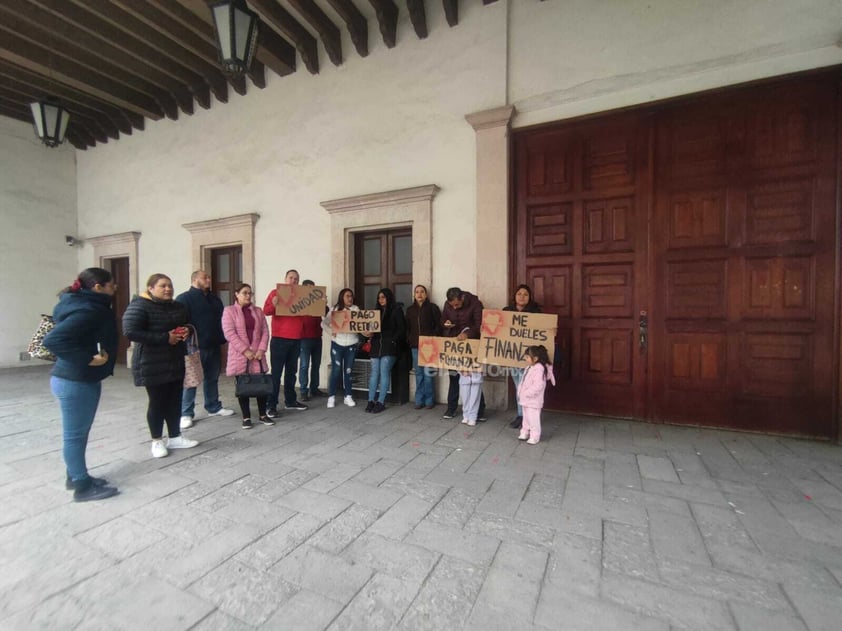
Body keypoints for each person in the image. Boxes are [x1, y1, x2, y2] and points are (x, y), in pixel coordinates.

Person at [43, 268, 120, 502]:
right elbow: (53, 340)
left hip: (76, 378)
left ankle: (76, 475)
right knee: (75, 435)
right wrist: (88, 358)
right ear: (98, 287)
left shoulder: (83, 304)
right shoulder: (88, 309)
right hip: (75, 380)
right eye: (111, 284)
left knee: (79, 433)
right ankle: (81, 487)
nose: (114, 288)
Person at [123, 273, 199, 458]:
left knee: (174, 400)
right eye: (162, 286)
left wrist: (187, 330)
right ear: (150, 288)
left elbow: (187, 323)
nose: (168, 289)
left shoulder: (177, 306)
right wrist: (166, 338)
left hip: (175, 359)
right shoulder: (139, 305)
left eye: (170, 285)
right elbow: (131, 331)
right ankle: (156, 440)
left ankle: (175, 436)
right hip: (151, 362)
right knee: (157, 403)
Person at [176, 270, 233, 428]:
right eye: (205, 277)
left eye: (209, 276)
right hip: (194, 346)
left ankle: (213, 406)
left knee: (212, 378)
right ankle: (186, 413)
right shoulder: (184, 299)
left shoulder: (215, 300)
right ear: (194, 279)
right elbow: (179, 322)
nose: (209, 279)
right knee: (191, 381)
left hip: (214, 344)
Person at [222, 284, 273, 429]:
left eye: (250, 293)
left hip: (257, 354)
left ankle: (263, 415)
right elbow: (229, 333)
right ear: (236, 294)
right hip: (240, 355)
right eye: (244, 293)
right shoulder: (229, 311)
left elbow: (265, 331)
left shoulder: (258, 311)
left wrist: (261, 349)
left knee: (261, 384)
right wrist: (245, 350)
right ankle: (246, 417)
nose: (248, 296)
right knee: (243, 385)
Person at [262, 269, 309, 417]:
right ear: (285, 279)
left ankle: (290, 401)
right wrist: (274, 304)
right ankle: (271, 405)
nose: (293, 281)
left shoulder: (303, 296)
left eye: (296, 279)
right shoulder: (275, 293)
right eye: (291, 278)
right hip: (279, 339)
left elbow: (311, 313)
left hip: (296, 339)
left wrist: (320, 304)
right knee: (276, 374)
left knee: (291, 372)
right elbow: (266, 311)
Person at [440, 287, 486, 421]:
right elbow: (442, 319)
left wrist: (467, 334)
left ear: (463, 298)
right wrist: (445, 323)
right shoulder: (447, 304)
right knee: (453, 376)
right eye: (451, 305)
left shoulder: (476, 304)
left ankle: (480, 410)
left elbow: (480, 325)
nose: (454, 308)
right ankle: (451, 408)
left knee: (474, 379)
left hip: (471, 345)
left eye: (457, 304)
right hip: (454, 345)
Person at [504, 284, 542, 429]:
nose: (522, 296)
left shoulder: (536, 312)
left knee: (529, 386)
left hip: (529, 358)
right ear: (514, 296)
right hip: (513, 357)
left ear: (530, 297)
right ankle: (521, 415)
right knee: (519, 386)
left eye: (525, 294)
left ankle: (529, 416)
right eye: (519, 293)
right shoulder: (507, 311)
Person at [366, 288, 406, 413]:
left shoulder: (396, 310)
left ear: (388, 297)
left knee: (384, 373)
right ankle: (371, 400)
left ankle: (381, 402)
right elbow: (369, 329)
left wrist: (393, 341)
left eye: (383, 297)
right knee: (374, 374)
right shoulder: (375, 312)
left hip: (389, 347)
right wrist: (367, 334)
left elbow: (402, 329)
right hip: (376, 345)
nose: (381, 300)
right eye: (379, 297)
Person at [323, 288, 361, 408]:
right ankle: (331, 396)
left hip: (351, 344)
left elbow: (361, 324)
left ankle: (348, 395)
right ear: (342, 297)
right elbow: (324, 323)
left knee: (348, 371)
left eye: (351, 296)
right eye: (347, 296)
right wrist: (331, 331)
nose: (350, 298)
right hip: (337, 344)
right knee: (336, 370)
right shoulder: (335, 309)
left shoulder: (356, 309)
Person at [405, 284, 440, 409]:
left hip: (429, 346)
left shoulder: (432, 308)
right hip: (415, 345)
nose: (419, 294)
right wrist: (410, 338)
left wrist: (433, 337)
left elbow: (438, 325)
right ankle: (419, 400)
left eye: (422, 292)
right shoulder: (410, 310)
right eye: (417, 292)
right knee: (419, 373)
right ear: (414, 295)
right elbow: (407, 327)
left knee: (428, 373)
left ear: (426, 294)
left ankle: (430, 401)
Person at [517, 345, 556, 444]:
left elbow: (538, 386)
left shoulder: (539, 369)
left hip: (533, 400)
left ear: (535, 358)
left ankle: (535, 436)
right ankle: (525, 432)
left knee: (533, 419)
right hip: (526, 399)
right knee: (526, 417)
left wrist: (527, 393)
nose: (525, 359)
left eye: (527, 357)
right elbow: (523, 380)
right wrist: (520, 391)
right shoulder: (529, 367)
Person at [298, 279, 325, 401]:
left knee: (316, 365)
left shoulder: (318, 301)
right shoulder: (298, 301)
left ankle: (314, 389)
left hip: (317, 337)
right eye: (308, 288)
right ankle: (303, 391)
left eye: (313, 288)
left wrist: (324, 303)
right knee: (304, 365)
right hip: (303, 338)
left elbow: (327, 314)